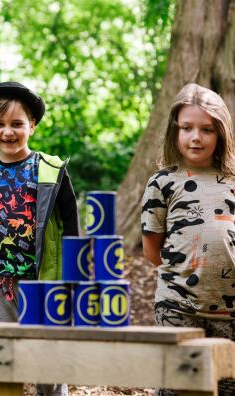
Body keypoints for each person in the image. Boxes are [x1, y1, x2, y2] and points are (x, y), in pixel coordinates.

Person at [0, 81, 79, 395]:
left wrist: (75, 285)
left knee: (48, 357)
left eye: (17, 124)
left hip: (41, 280)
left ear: (32, 126)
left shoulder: (50, 171)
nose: (8, 132)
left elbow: (72, 229)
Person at [141, 83, 235, 396]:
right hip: (177, 306)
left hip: (229, 309)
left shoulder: (233, 181)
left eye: (207, 129)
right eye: (187, 128)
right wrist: (181, 274)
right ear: (175, 131)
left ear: (220, 132)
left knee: (227, 385)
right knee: (177, 384)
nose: (196, 137)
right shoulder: (163, 182)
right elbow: (152, 246)